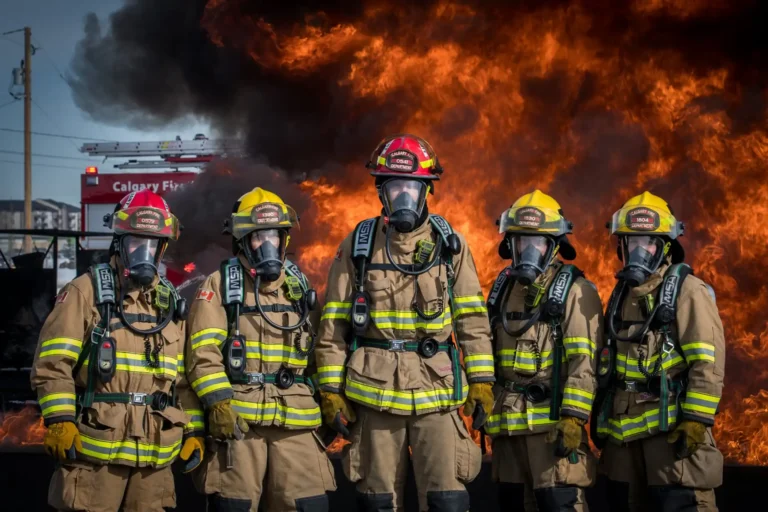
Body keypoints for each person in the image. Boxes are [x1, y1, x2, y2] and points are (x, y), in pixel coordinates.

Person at [315, 134, 495, 511]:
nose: (404, 196)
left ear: (427, 190)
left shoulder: (451, 246)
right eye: (395, 186)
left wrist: (481, 382)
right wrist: (331, 391)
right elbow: (333, 329)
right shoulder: (358, 246)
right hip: (374, 396)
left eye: (412, 186)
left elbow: (472, 321)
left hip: (438, 393)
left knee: (446, 500)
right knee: (377, 502)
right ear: (382, 191)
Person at [31, 189, 203, 511]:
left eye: (153, 245)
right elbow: (53, 364)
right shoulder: (85, 292)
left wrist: (193, 430)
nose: (144, 252)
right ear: (119, 242)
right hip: (97, 460)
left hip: (153, 463)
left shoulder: (169, 305)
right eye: (136, 243)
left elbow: (181, 380)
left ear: (162, 248)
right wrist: (60, 419)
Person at [185, 187, 335, 511]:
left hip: (295, 423)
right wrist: (219, 404)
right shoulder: (219, 285)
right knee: (235, 505)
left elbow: (320, 350)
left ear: (284, 240)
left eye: (274, 235)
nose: (267, 244)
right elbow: (202, 354)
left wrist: (330, 396)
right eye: (257, 236)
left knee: (306, 505)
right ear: (242, 241)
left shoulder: (300, 288)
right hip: (241, 424)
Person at [592, 191, 725, 511]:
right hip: (622, 435)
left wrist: (695, 420)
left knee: (681, 503)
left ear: (665, 247)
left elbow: (706, 364)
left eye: (648, 243)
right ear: (621, 247)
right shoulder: (620, 295)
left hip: (670, 433)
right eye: (631, 243)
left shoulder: (688, 291)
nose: (639, 251)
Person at [485, 190, 603, 511]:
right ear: (510, 244)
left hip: (551, 431)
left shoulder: (576, 291)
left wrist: (574, 419)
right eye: (522, 242)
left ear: (554, 247)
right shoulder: (501, 290)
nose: (529, 250)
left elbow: (585, 362)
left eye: (538, 243)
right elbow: (487, 351)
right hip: (508, 428)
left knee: (558, 503)